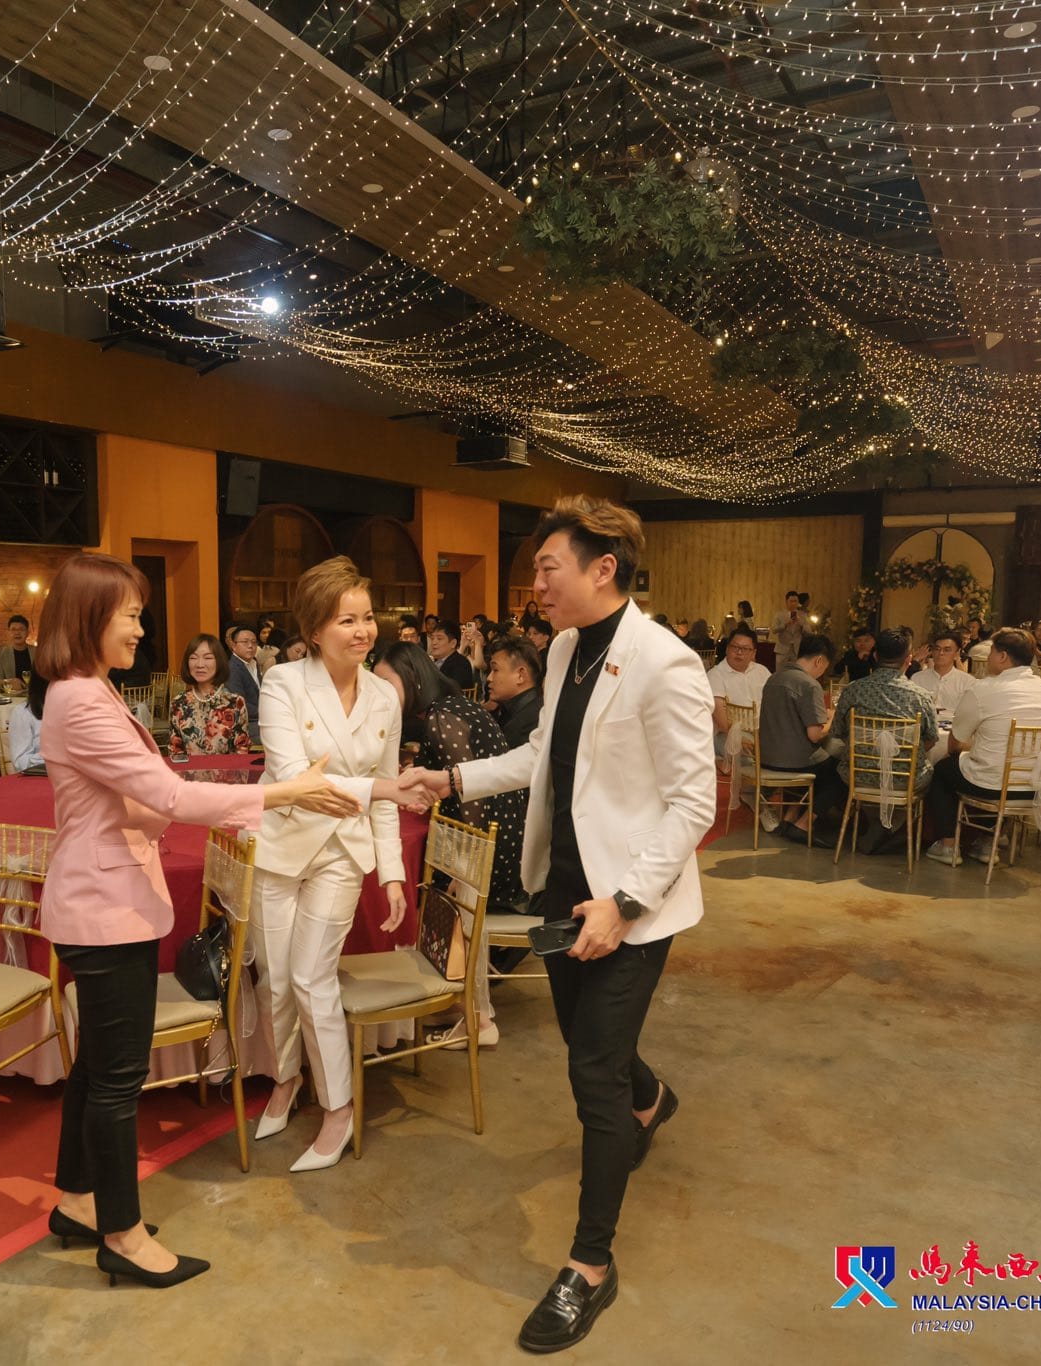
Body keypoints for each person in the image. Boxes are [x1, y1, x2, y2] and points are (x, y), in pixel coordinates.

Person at [399, 496, 713, 1354]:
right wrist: (452, 781)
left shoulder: (665, 663)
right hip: (563, 888)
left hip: (630, 905)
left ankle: (590, 1265)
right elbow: (543, 758)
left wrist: (627, 902)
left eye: (547, 567)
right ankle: (652, 1100)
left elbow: (694, 802)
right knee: (590, 1045)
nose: (535, 584)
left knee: (589, 1073)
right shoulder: (570, 649)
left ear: (603, 568)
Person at [36, 551, 359, 1290]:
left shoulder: (84, 689)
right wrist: (284, 793)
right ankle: (122, 1234)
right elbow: (170, 796)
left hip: (100, 898)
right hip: (103, 907)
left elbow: (140, 796)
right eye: (130, 615)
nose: (139, 629)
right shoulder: (83, 699)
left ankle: (79, 1200)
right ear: (90, 617)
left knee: (96, 1068)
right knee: (117, 1079)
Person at [253, 557, 431, 1173]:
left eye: (367, 617)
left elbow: (379, 795)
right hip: (281, 845)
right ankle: (285, 1079)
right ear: (314, 628)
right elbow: (291, 778)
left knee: (311, 977)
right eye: (346, 620)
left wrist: (392, 874)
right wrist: (381, 789)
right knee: (275, 978)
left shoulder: (384, 696)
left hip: (340, 853)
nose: (363, 631)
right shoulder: (282, 682)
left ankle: (338, 1106)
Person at [374, 642, 527, 1049]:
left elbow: (473, 798)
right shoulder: (451, 707)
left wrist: (467, 868)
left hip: (486, 842)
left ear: (411, 677)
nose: (381, 694)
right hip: (492, 834)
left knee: (450, 902)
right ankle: (456, 1001)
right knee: (440, 892)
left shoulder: (443, 716)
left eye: (386, 684)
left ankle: (478, 1020)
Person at [923, 628, 1041, 866]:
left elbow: (954, 743)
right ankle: (987, 842)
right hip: (1039, 787)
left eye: (991, 652)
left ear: (1002, 656)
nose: (987, 658)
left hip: (993, 785)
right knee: (1001, 768)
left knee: (943, 770)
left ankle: (948, 845)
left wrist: (973, 748)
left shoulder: (984, 689)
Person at [758, 634, 846, 846]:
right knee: (842, 771)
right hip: (794, 762)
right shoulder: (809, 685)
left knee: (820, 763)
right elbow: (815, 735)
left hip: (766, 758)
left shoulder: (774, 678)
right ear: (819, 661)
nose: (823, 672)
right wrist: (832, 719)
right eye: (825, 667)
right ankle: (803, 825)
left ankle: (790, 817)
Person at [829, 628, 938, 783]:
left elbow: (837, 731)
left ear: (875, 655)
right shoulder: (921, 697)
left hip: (857, 776)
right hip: (906, 779)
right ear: (909, 659)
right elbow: (931, 739)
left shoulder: (852, 690)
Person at [168, 633, 251, 759]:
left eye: (207, 658)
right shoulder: (178, 703)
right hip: (188, 771)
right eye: (193, 658)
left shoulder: (235, 702)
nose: (200, 664)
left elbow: (242, 749)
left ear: (219, 662)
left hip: (228, 771)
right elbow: (176, 751)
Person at [706, 623, 770, 763]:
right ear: (727, 649)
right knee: (749, 758)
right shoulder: (715, 675)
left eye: (745, 649)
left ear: (753, 653)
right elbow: (721, 719)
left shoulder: (762, 671)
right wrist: (739, 737)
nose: (739, 652)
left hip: (762, 733)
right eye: (735, 647)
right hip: (728, 734)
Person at [487, 635, 545, 750]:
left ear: (520, 675)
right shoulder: (511, 710)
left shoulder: (531, 724)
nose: (489, 678)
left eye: (495, 670)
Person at [915, 631, 977, 721]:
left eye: (947, 650)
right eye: (937, 649)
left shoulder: (968, 682)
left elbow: (970, 714)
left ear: (957, 653)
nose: (941, 653)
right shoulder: (917, 678)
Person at [4, 674, 47, 776]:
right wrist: (53, 756)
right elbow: (20, 762)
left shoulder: (75, 709)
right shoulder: (23, 712)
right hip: (41, 778)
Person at [224, 623, 263, 728]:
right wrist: (266, 712)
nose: (250, 646)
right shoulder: (232, 669)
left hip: (261, 719)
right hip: (246, 723)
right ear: (234, 646)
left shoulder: (254, 663)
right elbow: (239, 703)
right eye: (245, 642)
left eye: (254, 642)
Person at [427, 618, 478, 693]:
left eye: (439, 639)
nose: (434, 642)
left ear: (453, 643)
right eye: (432, 638)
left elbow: (453, 691)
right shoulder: (432, 661)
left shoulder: (461, 663)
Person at [0, 614, 35, 691]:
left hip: (34, 694)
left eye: (21, 629)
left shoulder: (37, 652)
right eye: (13, 629)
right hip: (10, 696)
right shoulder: (1, 653)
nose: (17, 633)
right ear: (9, 633)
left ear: (27, 632)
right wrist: (9, 682)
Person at [772, 590, 807, 670]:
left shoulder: (803, 615)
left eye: (795, 601)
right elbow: (774, 630)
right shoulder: (779, 614)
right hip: (782, 648)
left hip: (796, 649)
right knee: (780, 672)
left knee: (795, 672)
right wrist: (785, 624)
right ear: (786, 602)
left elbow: (809, 631)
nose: (793, 603)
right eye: (791, 601)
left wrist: (801, 624)